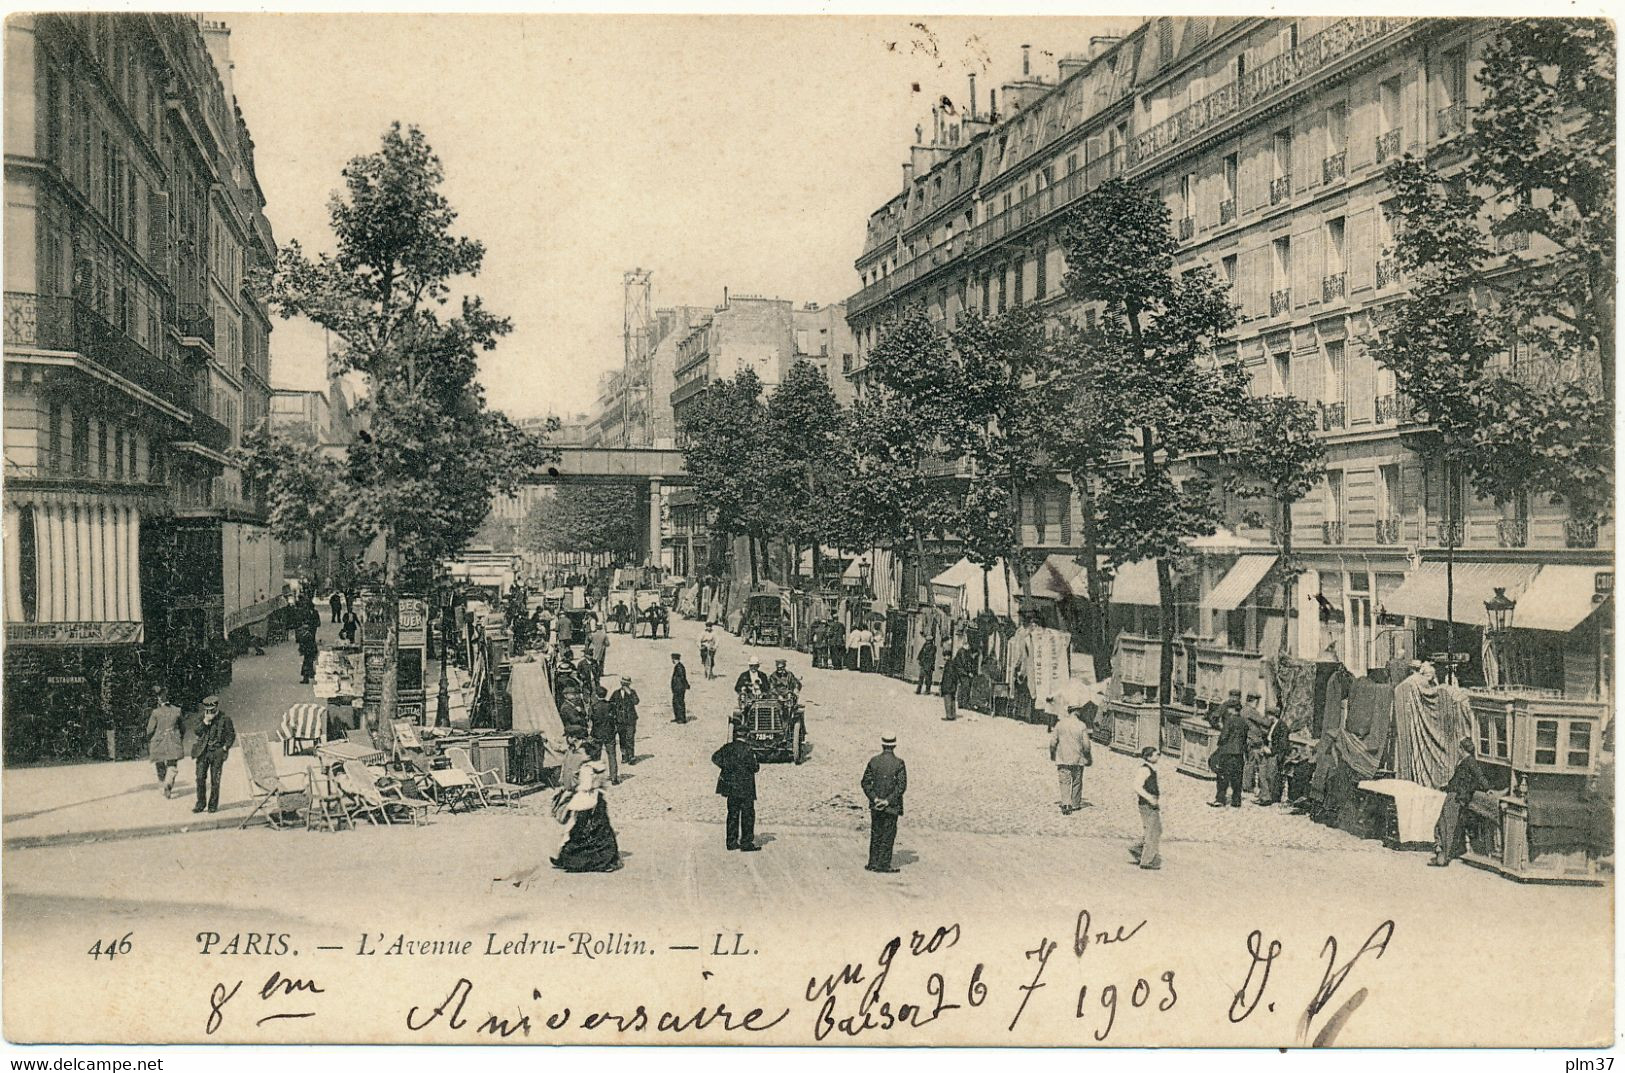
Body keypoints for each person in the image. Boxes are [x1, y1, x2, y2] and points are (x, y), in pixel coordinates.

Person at [551, 744, 622, 873]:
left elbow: (586, 786)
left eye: (583, 752)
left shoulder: (586, 768)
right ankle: (607, 859)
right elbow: (601, 784)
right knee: (601, 831)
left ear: (588, 754)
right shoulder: (600, 766)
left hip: (586, 800)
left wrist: (574, 789)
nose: (581, 754)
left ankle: (571, 859)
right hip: (598, 800)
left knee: (577, 829)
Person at [1431, 736, 1489, 867]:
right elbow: (1460, 779)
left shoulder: (1469, 761)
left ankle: (1443, 858)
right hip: (1454, 794)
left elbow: (1479, 776)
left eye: (1459, 748)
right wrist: (1447, 785)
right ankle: (1442, 853)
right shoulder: (1465, 761)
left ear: (1462, 749)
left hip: (1456, 797)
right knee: (1443, 825)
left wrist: (1487, 789)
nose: (1458, 750)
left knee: (1446, 826)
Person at [862, 733, 907, 872]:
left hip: (876, 805)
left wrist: (875, 798)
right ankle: (883, 865)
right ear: (894, 745)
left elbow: (865, 783)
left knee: (876, 833)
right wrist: (887, 801)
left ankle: (873, 863)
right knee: (888, 834)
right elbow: (901, 786)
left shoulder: (874, 761)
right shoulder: (899, 763)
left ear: (882, 745)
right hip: (891, 806)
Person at [712, 734, 761, 851]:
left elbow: (715, 758)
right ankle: (746, 843)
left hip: (731, 788)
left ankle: (731, 842)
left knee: (732, 814)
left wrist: (726, 767)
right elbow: (755, 767)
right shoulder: (748, 749)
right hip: (746, 788)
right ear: (746, 736)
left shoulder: (727, 747)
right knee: (747, 815)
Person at [190, 695, 236, 814]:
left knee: (215, 780)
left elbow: (231, 735)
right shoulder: (201, 718)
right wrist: (206, 722)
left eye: (212, 710)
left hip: (217, 752)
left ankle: (212, 805)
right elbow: (196, 731)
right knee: (200, 778)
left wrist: (225, 747)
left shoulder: (225, 718)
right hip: (202, 752)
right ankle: (200, 804)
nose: (210, 713)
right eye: (208, 711)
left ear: (217, 708)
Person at [1050, 704, 1093, 813]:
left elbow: (1053, 742)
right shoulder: (1081, 725)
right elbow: (1086, 745)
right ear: (1077, 711)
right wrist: (1088, 756)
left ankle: (1066, 804)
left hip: (1063, 758)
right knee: (1077, 781)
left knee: (1064, 781)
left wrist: (1052, 753)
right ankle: (1075, 803)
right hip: (1078, 758)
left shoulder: (1060, 724)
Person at [145, 684, 184, 799]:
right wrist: (179, 737)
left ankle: (162, 784)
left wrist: (149, 738)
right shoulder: (177, 711)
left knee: (160, 763)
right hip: (173, 739)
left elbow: (150, 729)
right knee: (172, 763)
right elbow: (183, 728)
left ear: (158, 699)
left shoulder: (155, 713)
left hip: (159, 741)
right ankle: (169, 783)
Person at [1129, 746, 1163, 870]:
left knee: (1156, 829)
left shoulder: (1151, 769)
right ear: (1148, 757)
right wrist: (1149, 798)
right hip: (1147, 804)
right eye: (1156, 754)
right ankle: (1146, 860)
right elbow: (1137, 786)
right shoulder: (1144, 770)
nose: (1158, 756)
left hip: (1151, 802)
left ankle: (1137, 849)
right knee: (1152, 831)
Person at [1210, 701, 1248, 808]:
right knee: (1237, 777)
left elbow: (1224, 736)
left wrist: (1220, 744)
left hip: (1227, 752)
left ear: (1231, 709)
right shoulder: (1243, 722)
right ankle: (1236, 801)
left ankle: (1220, 799)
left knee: (1223, 776)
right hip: (1239, 753)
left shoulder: (1229, 720)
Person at [1256, 707, 1291, 805]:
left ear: (1273, 715)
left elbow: (1283, 744)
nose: (1267, 717)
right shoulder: (1272, 724)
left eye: (1269, 715)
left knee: (1270, 775)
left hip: (1274, 753)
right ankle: (1264, 796)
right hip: (1267, 749)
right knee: (1262, 773)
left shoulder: (1282, 726)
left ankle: (1269, 797)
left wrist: (1271, 750)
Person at [588, 684, 620, 785]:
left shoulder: (594, 707)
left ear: (597, 695)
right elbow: (615, 718)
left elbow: (591, 719)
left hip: (597, 733)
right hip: (609, 733)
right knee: (612, 755)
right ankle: (614, 777)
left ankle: (596, 778)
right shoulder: (611, 705)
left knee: (596, 756)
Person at [1241, 690, 1269, 795]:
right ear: (1254, 701)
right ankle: (1248, 786)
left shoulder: (1243, 710)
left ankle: (1246, 785)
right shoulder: (1251, 711)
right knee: (1253, 764)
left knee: (1248, 762)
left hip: (1247, 740)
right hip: (1254, 741)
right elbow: (1265, 722)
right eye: (1257, 701)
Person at [609, 675, 639, 767]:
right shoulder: (616, 693)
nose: (625, 685)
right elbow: (611, 704)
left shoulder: (632, 692)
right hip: (620, 720)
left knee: (630, 737)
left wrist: (630, 693)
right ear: (621, 683)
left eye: (627, 684)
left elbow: (636, 701)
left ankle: (631, 756)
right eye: (624, 683)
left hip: (630, 719)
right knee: (622, 738)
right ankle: (624, 755)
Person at [939, 645, 961, 721]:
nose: (944, 658)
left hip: (948, 686)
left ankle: (949, 716)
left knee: (947, 701)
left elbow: (948, 677)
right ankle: (953, 715)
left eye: (945, 656)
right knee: (952, 701)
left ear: (948, 656)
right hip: (952, 686)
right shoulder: (952, 664)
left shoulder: (949, 665)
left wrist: (945, 686)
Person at [295, 617, 318, 684]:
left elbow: (307, 645)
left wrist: (302, 650)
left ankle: (306, 678)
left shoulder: (307, 636)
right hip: (309, 652)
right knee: (308, 664)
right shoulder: (308, 635)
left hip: (308, 652)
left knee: (307, 665)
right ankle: (308, 677)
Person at [670, 653, 690, 724]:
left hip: (679, 689)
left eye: (672, 659)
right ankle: (678, 717)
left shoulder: (679, 667)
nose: (672, 660)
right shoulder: (678, 666)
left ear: (675, 659)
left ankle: (682, 719)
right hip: (677, 688)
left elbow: (682, 678)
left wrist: (685, 686)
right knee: (676, 703)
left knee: (679, 703)